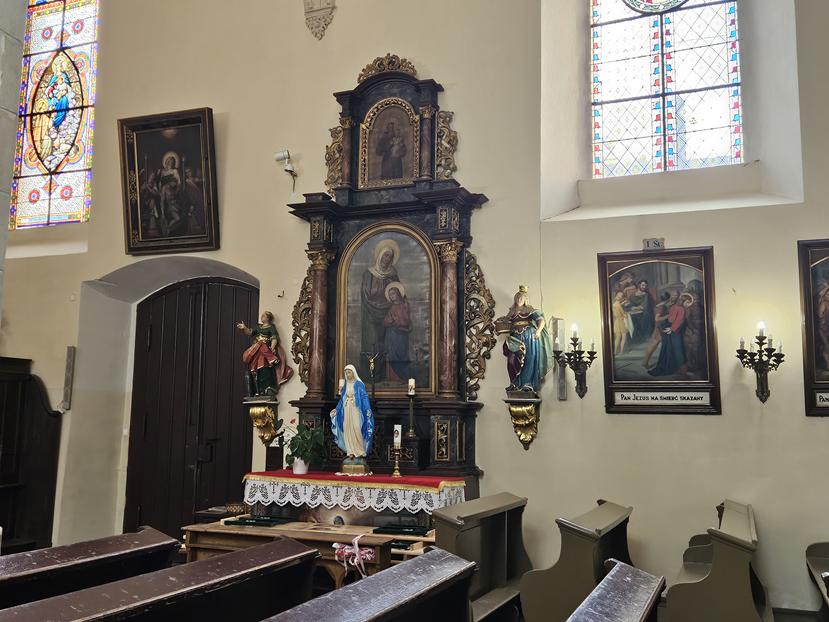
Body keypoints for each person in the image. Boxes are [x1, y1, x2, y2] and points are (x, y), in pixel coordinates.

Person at [497, 285, 554, 393]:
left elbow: (541, 320)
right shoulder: (511, 312)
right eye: (517, 297)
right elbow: (505, 323)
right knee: (512, 360)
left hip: (529, 337)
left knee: (529, 359)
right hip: (515, 338)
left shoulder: (530, 310)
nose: (519, 300)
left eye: (521, 298)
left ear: (525, 300)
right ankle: (515, 383)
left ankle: (527, 384)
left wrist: (538, 331)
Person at [360, 239, 400, 377]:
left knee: (385, 344)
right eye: (386, 255)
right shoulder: (368, 274)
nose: (387, 259)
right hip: (370, 315)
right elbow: (365, 296)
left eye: (390, 257)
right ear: (380, 255)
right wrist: (379, 305)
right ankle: (370, 375)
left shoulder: (393, 275)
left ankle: (383, 374)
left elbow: (399, 295)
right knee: (372, 342)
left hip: (388, 315)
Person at [237, 311, 294, 397]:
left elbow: (274, 338)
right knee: (255, 369)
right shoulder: (258, 328)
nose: (262, 317)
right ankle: (258, 390)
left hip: (265, 350)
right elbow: (250, 332)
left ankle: (267, 388)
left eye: (264, 316)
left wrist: (272, 348)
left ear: (268, 318)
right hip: (257, 350)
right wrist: (244, 328)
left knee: (264, 368)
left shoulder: (271, 328)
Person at [330, 365, 375, 466]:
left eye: (349, 372)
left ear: (353, 373)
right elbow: (342, 400)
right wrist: (336, 410)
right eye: (346, 373)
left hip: (356, 409)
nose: (347, 374)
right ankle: (350, 451)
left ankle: (360, 451)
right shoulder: (346, 385)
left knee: (357, 428)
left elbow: (364, 398)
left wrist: (367, 409)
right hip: (346, 410)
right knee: (348, 428)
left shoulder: (359, 384)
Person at [648, 291, 687, 377]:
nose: (674, 296)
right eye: (673, 295)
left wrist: (672, 328)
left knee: (677, 348)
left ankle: (681, 369)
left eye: (676, 295)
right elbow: (670, 317)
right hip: (668, 330)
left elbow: (680, 320)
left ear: (679, 297)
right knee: (668, 348)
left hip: (675, 330)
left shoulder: (681, 308)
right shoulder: (671, 306)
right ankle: (670, 366)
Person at [382, 282, 411, 382]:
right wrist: (390, 320)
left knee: (401, 355)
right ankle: (393, 378)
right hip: (391, 336)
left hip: (401, 335)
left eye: (393, 293)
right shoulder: (391, 307)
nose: (391, 296)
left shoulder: (404, 305)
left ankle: (403, 377)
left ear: (398, 294)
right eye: (390, 294)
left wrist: (396, 321)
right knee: (391, 355)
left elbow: (406, 321)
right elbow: (385, 322)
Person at [626, 279, 655, 344]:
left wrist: (635, 308)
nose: (644, 287)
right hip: (635, 313)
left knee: (644, 317)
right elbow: (630, 305)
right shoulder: (633, 295)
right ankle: (634, 340)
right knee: (630, 318)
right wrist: (633, 308)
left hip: (644, 314)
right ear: (639, 285)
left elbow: (644, 307)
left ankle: (643, 338)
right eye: (643, 285)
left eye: (645, 286)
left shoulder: (647, 295)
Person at [612, 291, 630, 356]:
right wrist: (627, 314)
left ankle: (614, 352)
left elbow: (618, 308)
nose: (622, 298)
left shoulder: (614, 304)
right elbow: (624, 314)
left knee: (617, 338)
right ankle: (621, 352)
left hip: (617, 322)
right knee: (624, 337)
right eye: (621, 296)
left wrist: (623, 303)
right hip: (622, 322)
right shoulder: (619, 305)